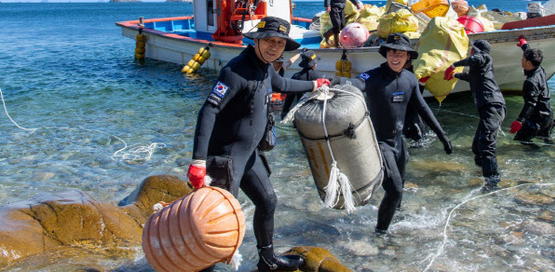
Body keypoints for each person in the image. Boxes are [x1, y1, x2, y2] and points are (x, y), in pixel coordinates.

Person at [186, 17, 330, 272]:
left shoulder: (265, 67)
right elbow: (208, 110)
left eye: (279, 43)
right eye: (269, 41)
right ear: (257, 40)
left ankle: (267, 260)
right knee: (217, 222)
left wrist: (313, 85)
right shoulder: (235, 71)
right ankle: (201, 267)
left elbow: (282, 84)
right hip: (224, 158)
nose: (274, 47)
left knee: (267, 201)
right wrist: (198, 161)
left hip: (248, 155)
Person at [343, 33, 453, 233]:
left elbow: (423, 109)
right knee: (394, 190)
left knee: (400, 187)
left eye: (401, 53)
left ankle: (396, 221)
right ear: (386, 53)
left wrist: (442, 135)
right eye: (392, 52)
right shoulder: (374, 76)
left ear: (408, 57)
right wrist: (342, 84)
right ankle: (381, 233)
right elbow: (357, 83)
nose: (396, 57)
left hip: (398, 143)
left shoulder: (410, 78)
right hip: (379, 144)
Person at [444, 40, 505, 190]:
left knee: (486, 145)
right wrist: (455, 75)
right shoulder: (480, 69)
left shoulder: (483, 58)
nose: (470, 51)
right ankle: (482, 172)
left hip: (493, 107)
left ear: (476, 51)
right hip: (488, 109)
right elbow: (470, 78)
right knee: (477, 146)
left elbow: (476, 58)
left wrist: (453, 65)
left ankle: (492, 182)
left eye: (472, 49)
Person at [509, 37, 555, 143]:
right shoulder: (540, 69)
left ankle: (539, 157)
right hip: (548, 116)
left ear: (528, 64)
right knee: (546, 141)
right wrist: (524, 45)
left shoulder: (531, 82)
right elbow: (532, 56)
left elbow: (531, 104)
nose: (521, 59)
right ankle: (553, 157)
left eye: (523, 58)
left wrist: (519, 121)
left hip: (538, 119)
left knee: (521, 140)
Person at [281, 49, 323, 118]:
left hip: (300, 112)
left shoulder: (296, 76)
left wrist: (284, 112)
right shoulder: (319, 76)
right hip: (315, 113)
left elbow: (289, 97)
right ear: (314, 64)